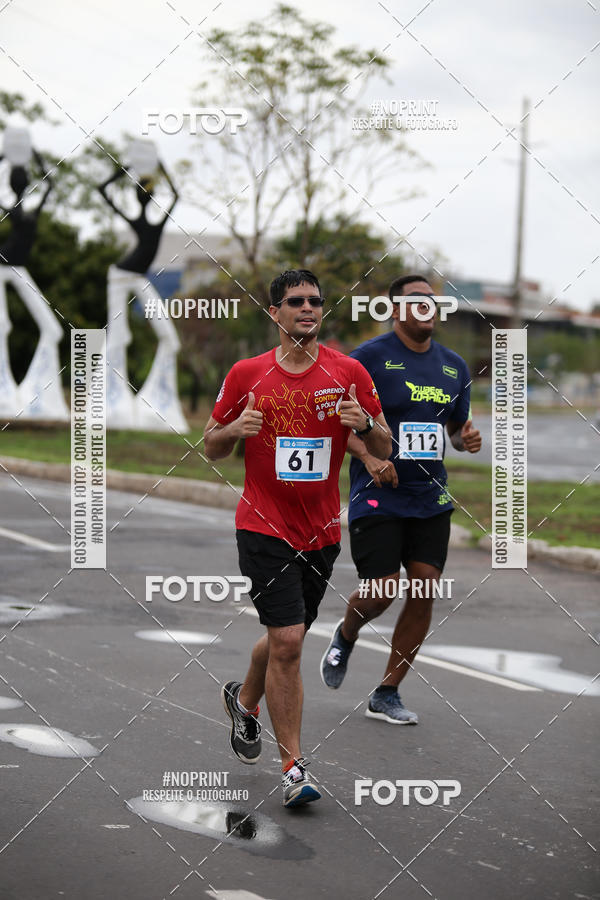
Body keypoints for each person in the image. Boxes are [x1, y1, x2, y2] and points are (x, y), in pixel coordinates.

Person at [203, 269, 392, 807]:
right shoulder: (247, 373)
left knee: (289, 634)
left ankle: (244, 702)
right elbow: (211, 445)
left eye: (315, 301)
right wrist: (233, 431)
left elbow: (385, 443)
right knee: (288, 641)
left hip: (321, 532)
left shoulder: (348, 372)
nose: (308, 308)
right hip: (262, 525)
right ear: (275, 312)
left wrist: (365, 426)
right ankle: (293, 768)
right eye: (296, 301)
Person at [321, 274, 481, 724]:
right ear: (395, 310)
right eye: (417, 300)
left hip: (430, 496)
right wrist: (370, 458)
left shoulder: (454, 367)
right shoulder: (367, 359)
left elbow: (455, 428)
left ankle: (387, 692)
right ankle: (348, 631)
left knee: (425, 585)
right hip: (379, 494)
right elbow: (336, 422)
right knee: (382, 591)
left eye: (433, 300)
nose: (427, 306)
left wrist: (466, 439)